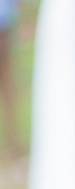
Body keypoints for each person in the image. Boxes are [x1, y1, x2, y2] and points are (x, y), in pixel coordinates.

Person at [0, 0, 21, 160]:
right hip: (5, 21)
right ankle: (13, 141)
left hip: (4, 23)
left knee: (7, 80)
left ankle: (13, 140)